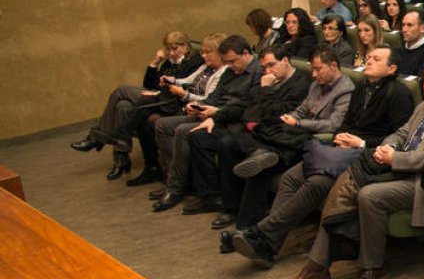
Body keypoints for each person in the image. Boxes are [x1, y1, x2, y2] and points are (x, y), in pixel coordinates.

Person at [276, 59, 424, 279]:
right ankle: (317, 267)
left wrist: (396, 158)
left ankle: (370, 268)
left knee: (367, 194)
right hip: (393, 168)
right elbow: (401, 133)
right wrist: (386, 148)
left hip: (422, 181)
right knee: (348, 178)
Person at [230, 47, 413, 268]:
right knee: (291, 176)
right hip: (341, 150)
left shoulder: (398, 94)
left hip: (368, 156)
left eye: (376, 59)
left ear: (391, 68)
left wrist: (361, 143)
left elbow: (399, 139)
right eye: (369, 57)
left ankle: (261, 235)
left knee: (317, 182)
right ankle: (268, 243)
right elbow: (345, 124)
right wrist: (341, 137)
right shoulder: (361, 88)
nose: (369, 61)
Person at [189, 46, 322, 230]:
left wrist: (265, 88)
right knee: (200, 136)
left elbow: (275, 113)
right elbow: (244, 103)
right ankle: (212, 198)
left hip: (272, 135)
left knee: (229, 144)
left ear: (285, 60)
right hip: (251, 129)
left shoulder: (300, 83)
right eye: (265, 67)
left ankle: (235, 212)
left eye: (272, 65)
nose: (268, 71)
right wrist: (215, 117)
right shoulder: (266, 80)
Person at [71, 31, 204, 181]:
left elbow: (184, 86)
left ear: (186, 46)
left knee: (121, 90)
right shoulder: (168, 62)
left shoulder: (194, 61)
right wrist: (155, 63)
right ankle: (122, 157)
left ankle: (97, 138)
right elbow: (148, 85)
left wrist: (160, 90)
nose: (171, 53)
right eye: (169, 49)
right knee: (123, 106)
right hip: (156, 97)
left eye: (175, 49)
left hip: (169, 101)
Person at [151, 36, 263, 212]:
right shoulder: (230, 72)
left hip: (230, 119)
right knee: (163, 125)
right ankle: (185, 183)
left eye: (233, 61)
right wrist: (199, 107)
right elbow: (216, 96)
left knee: (187, 132)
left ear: (246, 54)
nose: (230, 66)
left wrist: (215, 114)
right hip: (215, 113)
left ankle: (180, 187)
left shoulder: (258, 73)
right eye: (227, 62)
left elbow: (247, 107)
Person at [395, 10, 424, 79]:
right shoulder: (398, 51)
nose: (404, 29)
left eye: (409, 25)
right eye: (403, 25)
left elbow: (419, 83)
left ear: (422, 28)